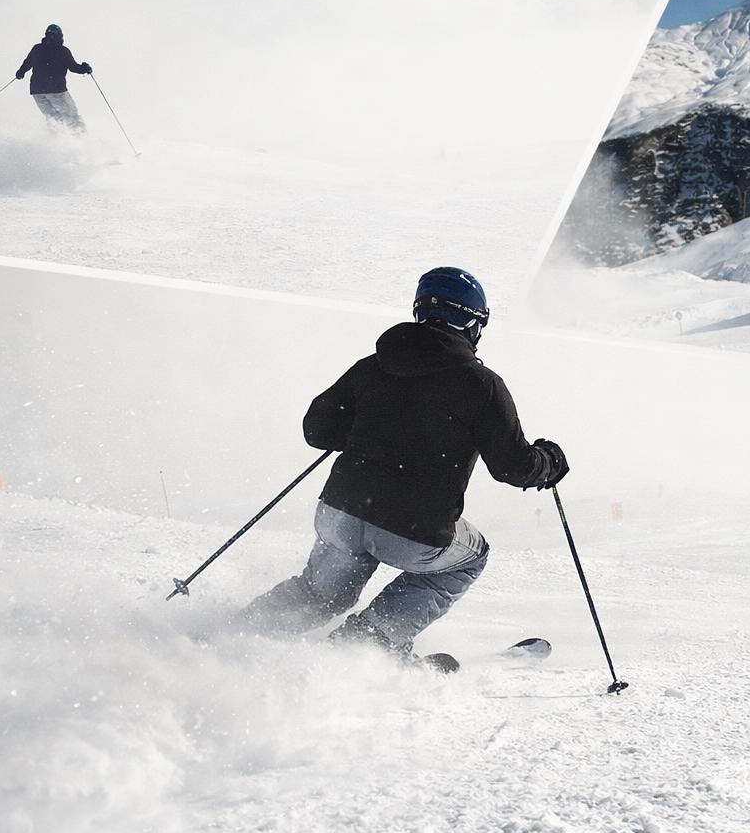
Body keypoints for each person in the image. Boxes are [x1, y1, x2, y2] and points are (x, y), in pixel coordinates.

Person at [240, 267, 569, 659]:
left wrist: (373, 430)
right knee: (469, 558)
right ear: (469, 321)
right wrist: (548, 461)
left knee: (321, 593)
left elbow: (317, 430)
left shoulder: (373, 365)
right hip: (413, 529)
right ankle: (368, 643)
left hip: (342, 510)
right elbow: (512, 467)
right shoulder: (481, 385)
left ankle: (233, 634)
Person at [16, 24, 92, 131]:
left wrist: (20, 72)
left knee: (53, 118)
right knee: (71, 116)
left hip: (37, 92)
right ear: (60, 36)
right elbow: (73, 67)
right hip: (56, 90)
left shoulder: (37, 49)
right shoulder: (62, 51)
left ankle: (56, 140)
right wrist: (85, 68)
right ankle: (80, 139)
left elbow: (27, 63)